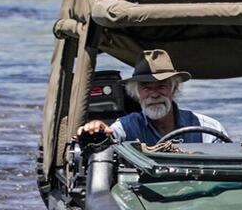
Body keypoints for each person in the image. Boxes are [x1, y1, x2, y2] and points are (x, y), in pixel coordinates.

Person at [76, 49, 226, 144]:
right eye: (146, 87)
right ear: (136, 93)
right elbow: (108, 137)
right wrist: (97, 128)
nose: (154, 94)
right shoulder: (127, 126)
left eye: (161, 86)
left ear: (174, 89)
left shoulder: (208, 129)